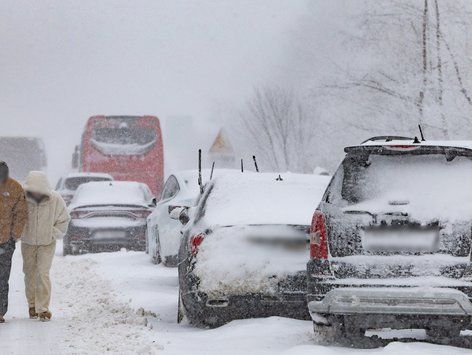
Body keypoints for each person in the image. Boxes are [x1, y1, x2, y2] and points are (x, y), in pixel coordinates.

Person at [22, 171, 70, 321]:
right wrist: (19, 232)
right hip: (27, 242)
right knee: (29, 274)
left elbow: (64, 219)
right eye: (32, 190)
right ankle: (32, 306)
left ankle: (43, 309)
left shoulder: (55, 199)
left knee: (42, 273)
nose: (36, 193)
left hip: (47, 244)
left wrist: (52, 233)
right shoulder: (23, 199)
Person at [0, 161, 27, 323]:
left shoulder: (15, 188)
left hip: (6, 242)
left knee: (2, 277)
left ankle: (0, 311)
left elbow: (21, 213)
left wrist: (13, 235)